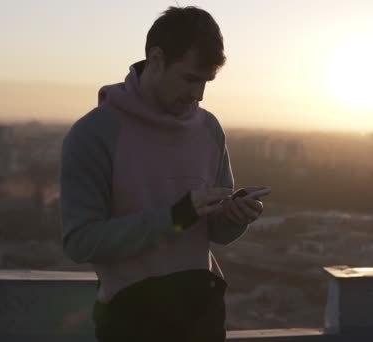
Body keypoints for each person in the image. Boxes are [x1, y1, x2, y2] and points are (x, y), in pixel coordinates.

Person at [59, 6, 264, 341]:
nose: (198, 95)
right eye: (190, 78)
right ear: (156, 59)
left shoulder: (209, 128)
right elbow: (80, 242)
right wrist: (177, 216)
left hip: (203, 316)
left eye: (206, 82)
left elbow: (216, 231)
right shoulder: (95, 134)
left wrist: (236, 216)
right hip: (131, 319)